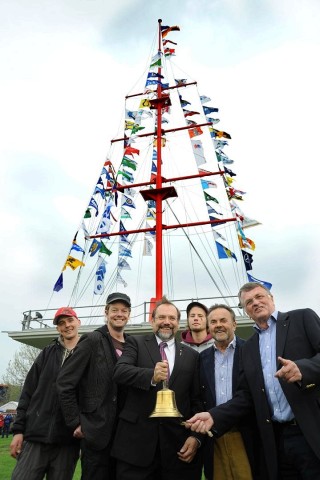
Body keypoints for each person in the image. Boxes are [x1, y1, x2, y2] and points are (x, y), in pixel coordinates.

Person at [186, 282, 320, 479]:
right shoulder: (249, 347)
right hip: (274, 439)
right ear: (246, 311)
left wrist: (304, 369)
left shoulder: (302, 318)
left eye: (260, 297)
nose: (255, 303)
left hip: (310, 430)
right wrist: (215, 416)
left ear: (271, 298)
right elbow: (247, 395)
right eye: (249, 302)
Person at [111, 296, 204, 480]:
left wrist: (196, 437)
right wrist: (150, 376)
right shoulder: (135, 343)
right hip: (136, 448)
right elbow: (120, 372)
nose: (166, 322)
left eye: (172, 318)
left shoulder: (191, 355)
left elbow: (197, 400)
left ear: (178, 323)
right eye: (161, 317)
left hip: (177, 449)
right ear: (152, 320)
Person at [57, 292, 131, 480]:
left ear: (129, 314)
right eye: (114, 310)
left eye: (124, 310)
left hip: (124, 433)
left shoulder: (132, 344)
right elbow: (65, 382)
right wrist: (75, 421)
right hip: (96, 431)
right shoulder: (92, 339)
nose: (119, 314)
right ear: (106, 312)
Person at [10, 306, 81, 480]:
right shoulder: (46, 354)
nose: (67, 326)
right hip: (36, 437)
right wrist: (19, 430)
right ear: (57, 328)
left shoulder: (88, 354)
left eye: (70, 320)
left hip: (67, 440)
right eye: (62, 323)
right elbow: (27, 393)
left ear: (78, 322)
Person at [200, 304, 259, 480]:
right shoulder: (202, 358)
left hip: (246, 434)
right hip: (214, 438)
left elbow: (250, 394)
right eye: (213, 321)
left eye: (223, 320)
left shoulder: (251, 350)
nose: (218, 325)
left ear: (234, 324)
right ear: (208, 327)